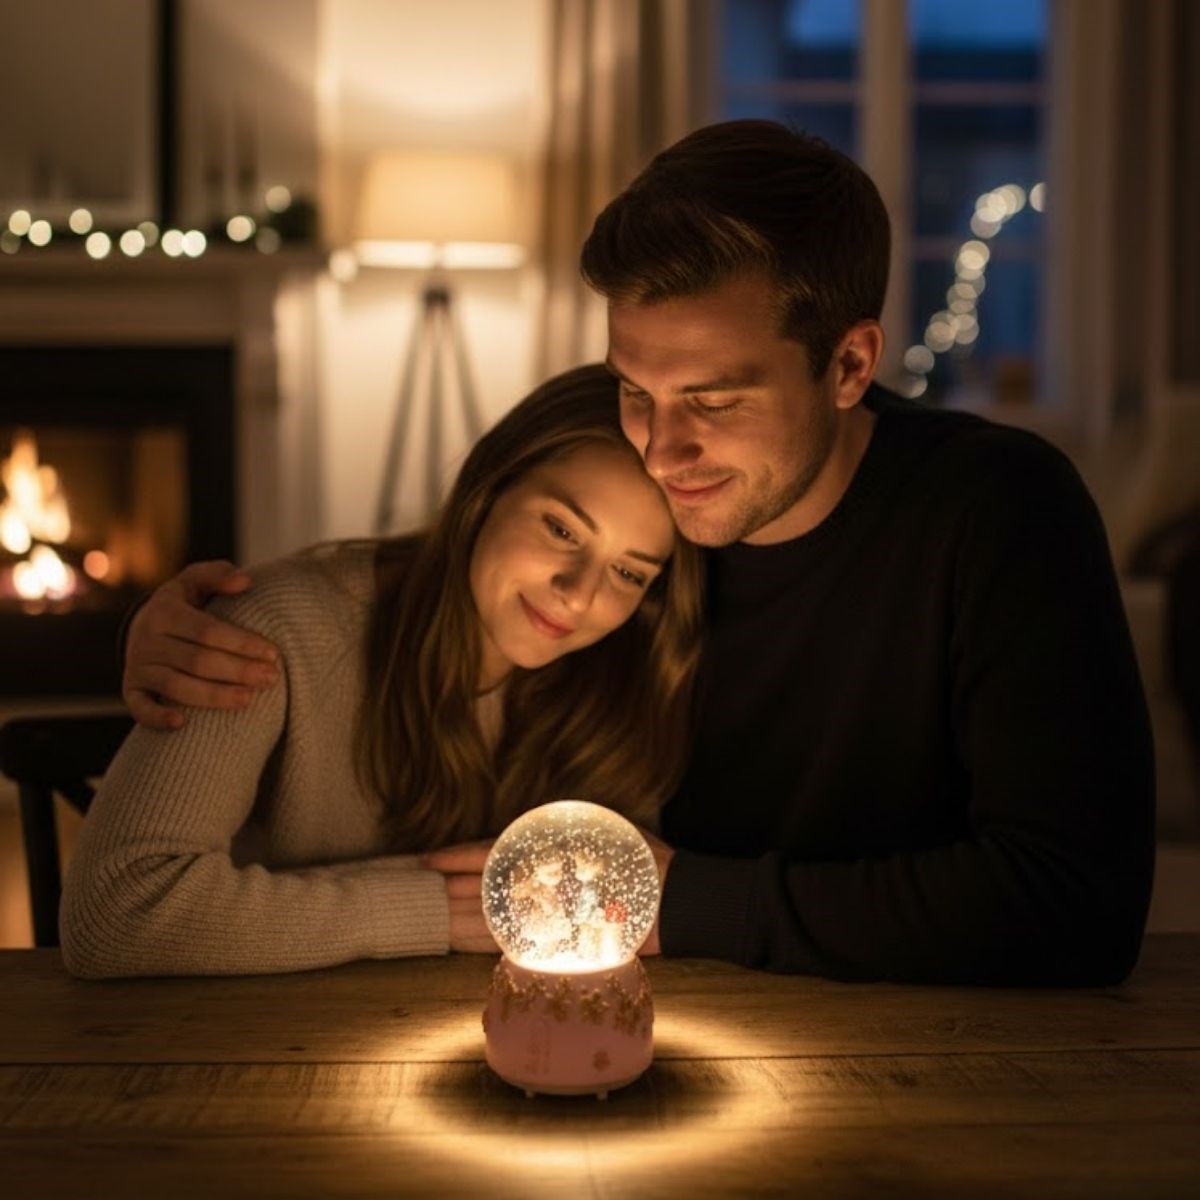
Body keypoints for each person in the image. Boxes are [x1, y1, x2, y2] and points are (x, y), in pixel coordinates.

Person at [121, 120, 1156, 986]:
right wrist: (193, 625)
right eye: (635, 389)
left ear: (849, 363)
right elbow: (456, 574)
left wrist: (687, 902)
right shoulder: (647, 509)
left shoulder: (998, 509)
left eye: (713, 400)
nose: (663, 449)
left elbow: (1073, 902)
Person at [59, 366, 703, 978]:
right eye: (562, 529)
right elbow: (114, 912)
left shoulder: (632, 673)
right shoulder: (277, 627)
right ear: (488, 489)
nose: (577, 593)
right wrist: (435, 911)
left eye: (628, 572)